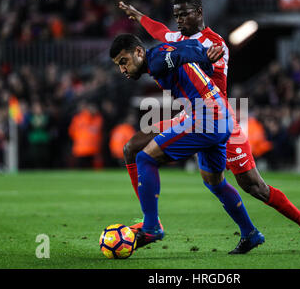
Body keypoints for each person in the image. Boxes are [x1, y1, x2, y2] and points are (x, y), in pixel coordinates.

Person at [119, 0, 300, 252]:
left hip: (215, 113)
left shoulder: (216, 43)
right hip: (192, 113)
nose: (179, 21)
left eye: (184, 14)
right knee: (133, 148)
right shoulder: (177, 40)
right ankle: (150, 219)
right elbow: (160, 31)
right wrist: (139, 16)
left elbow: (214, 84)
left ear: (199, 12)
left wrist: (202, 60)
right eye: (176, 16)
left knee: (254, 186)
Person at [110, 33, 265, 254]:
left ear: (138, 52)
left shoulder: (156, 61)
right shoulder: (160, 54)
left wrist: (204, 55)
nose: (122, 69)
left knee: (144, 157)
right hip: (220, 118)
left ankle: (152, 226)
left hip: (206, 117)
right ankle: (250, 233)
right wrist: (207, 62)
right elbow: (190, 44)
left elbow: (185, 51)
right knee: (215, 183)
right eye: (118, 65)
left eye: (123, 62)